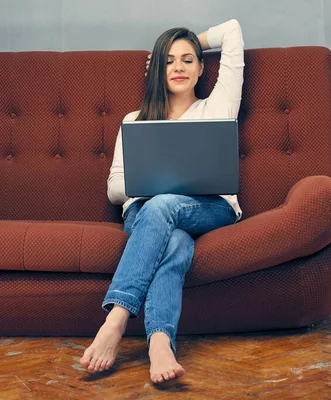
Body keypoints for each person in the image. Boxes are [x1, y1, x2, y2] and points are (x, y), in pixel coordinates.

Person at [79, 19, 244, 384]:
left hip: (210, 209)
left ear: (202, 67)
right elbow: (114, 188)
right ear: (156, 68)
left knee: (163, 205)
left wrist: (194, 41)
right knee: (174, 241)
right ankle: (159, 342)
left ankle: (115, 320)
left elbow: (232, 30)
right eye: (168, 60)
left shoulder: (217, 107)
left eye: (188, 59)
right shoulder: (134, 120)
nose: (179, 67)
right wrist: (154, 187)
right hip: (147, 214)